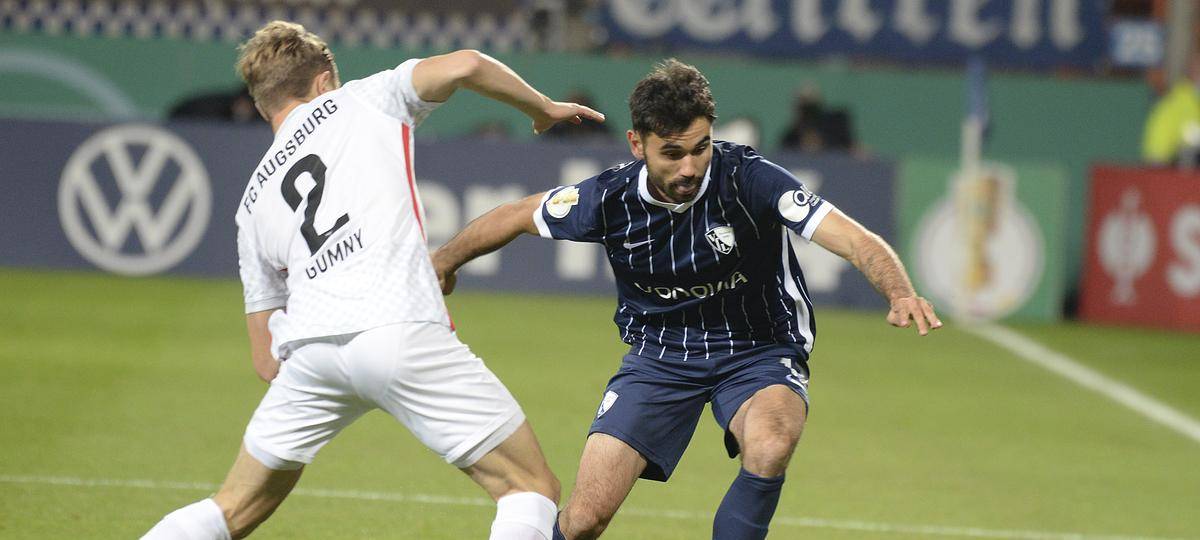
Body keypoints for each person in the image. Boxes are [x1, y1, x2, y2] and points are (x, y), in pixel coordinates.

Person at [431, 59, 940, 540]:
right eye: (672, 153)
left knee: (771, 442)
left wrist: (899, 292)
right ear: (638, 145)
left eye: (701, 147)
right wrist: (445, 261)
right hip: (659, 359)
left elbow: (852, 237)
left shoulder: (750, 179)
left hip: (758, 349)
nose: (691, 166)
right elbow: (517, 215)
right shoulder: (608, 200)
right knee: (585, 520)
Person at [142, 20, 604, 540]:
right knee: (529, 486)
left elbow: (264, 359)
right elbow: (468, 64)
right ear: (323, 81)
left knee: (232, 508)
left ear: (262, 101)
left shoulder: (251, 203)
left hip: (311, 353)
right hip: (396, 323)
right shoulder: (361, 99)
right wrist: (540, 107)